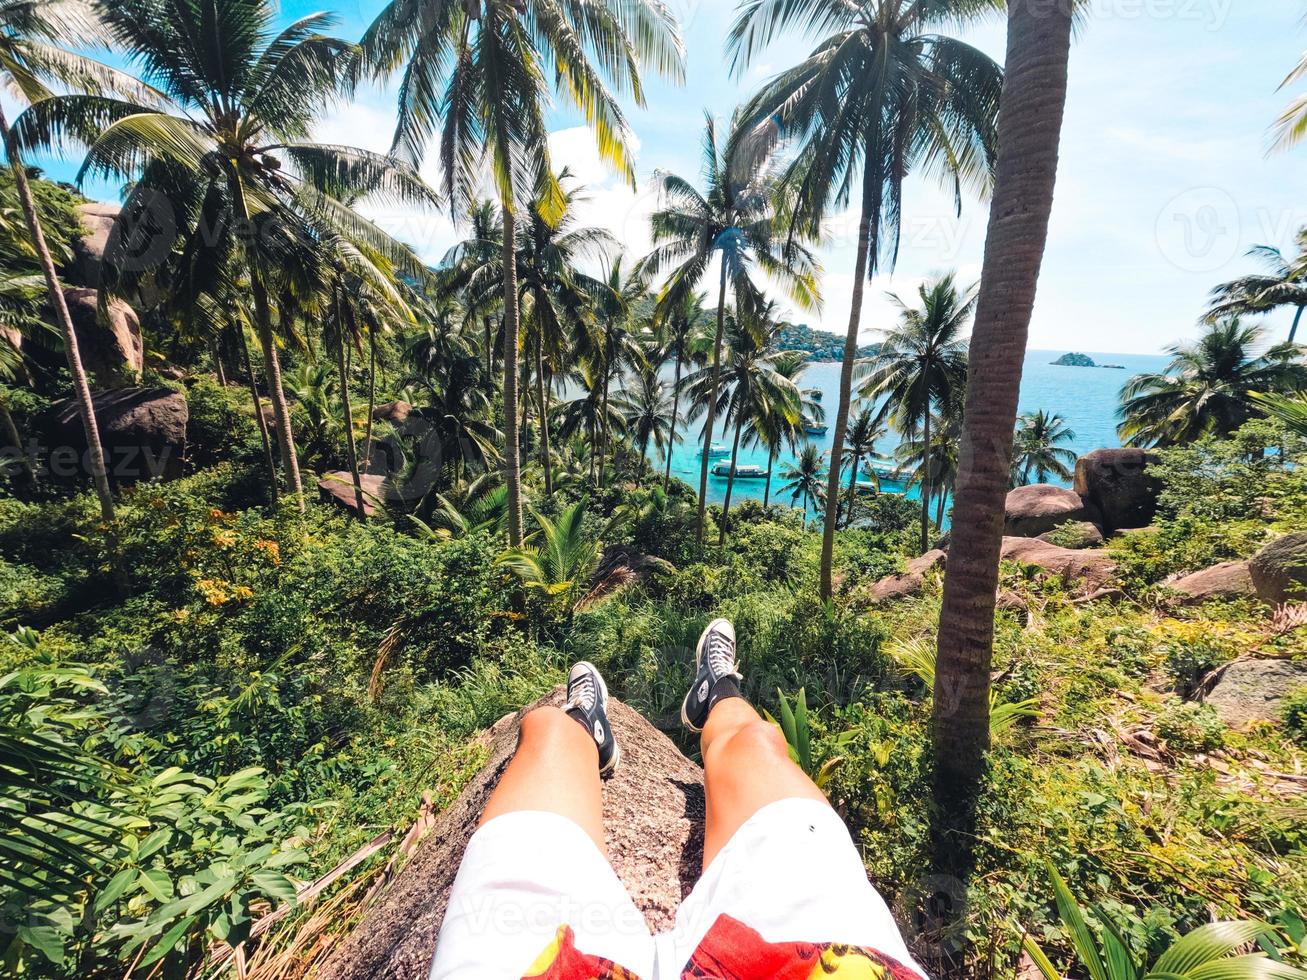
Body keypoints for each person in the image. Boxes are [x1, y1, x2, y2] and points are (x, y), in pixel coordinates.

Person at [430, 619, 926, 980]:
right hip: (828, 958)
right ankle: (718, 691)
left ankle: (584, 723)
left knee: (546, 734)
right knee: (758, 744)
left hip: (534, 966)